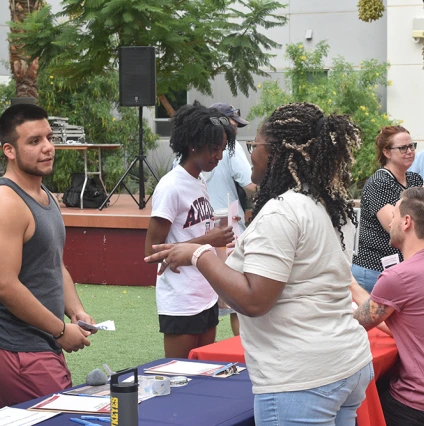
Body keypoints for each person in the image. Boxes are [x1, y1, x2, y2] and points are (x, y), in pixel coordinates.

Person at [146, 102, 373, 425]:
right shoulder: (318, 202)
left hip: (304, 378)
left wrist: (198, 254)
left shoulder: (282, 211)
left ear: (277, 153)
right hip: (345, 363)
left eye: (255, 146)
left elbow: (255, 300)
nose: (249, 154)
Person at [0, 103, 96, 409]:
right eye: (34, 141)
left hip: (40, 342)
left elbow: (54, 263)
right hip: (16, 347)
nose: (48, 148)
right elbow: (4, 285)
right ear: (9, 150)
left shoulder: (42, 194)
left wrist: (76, 311)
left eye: (49, 137)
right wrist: (59, 329)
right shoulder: (5, 202)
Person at [145, 103, 237, 359]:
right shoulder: (171, 186)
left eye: (221, 150)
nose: (218, 156)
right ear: (193, 145)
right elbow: (151, 251)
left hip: (205, 294)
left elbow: (190, 234)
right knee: (181, 376)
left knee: (204, 372)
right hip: (181, 300)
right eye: (213, 149)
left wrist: (215, 235)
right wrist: (209, 239)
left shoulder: (200, 181)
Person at [351, 187, 424, 425]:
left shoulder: (399, 277)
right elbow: (409, 327)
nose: (389, 223)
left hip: (413, 404)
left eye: (393, 215)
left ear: (406, 222)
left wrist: (349, 285)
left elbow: (358, 323)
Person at [204, 103, 257, 336]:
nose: (234, 131)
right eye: (232, 124)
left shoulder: (189, 149)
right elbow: (251, 186)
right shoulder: (231, 148)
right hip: (228, 228)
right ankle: (240, 350)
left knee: (209, 298)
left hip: (202, 225)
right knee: (237, 303)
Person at [352, 126, 422, 292]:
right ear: (387, 152)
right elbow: (394, 226)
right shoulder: (379, 182)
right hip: (373, 268)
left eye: (411, 146)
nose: (409, 151)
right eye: (402, 148)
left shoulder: (414, 179)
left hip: (402, 269)